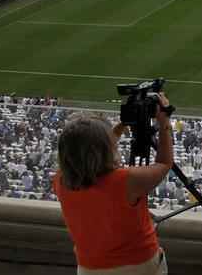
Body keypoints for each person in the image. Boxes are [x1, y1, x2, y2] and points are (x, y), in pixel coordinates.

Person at [53, 95, 173, 274]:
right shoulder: (126, 180)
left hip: (89, 268)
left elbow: (89, 148)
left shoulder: (60, 181)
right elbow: (164, 163)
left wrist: (123, 124)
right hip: (138, 265)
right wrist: (164, 122)